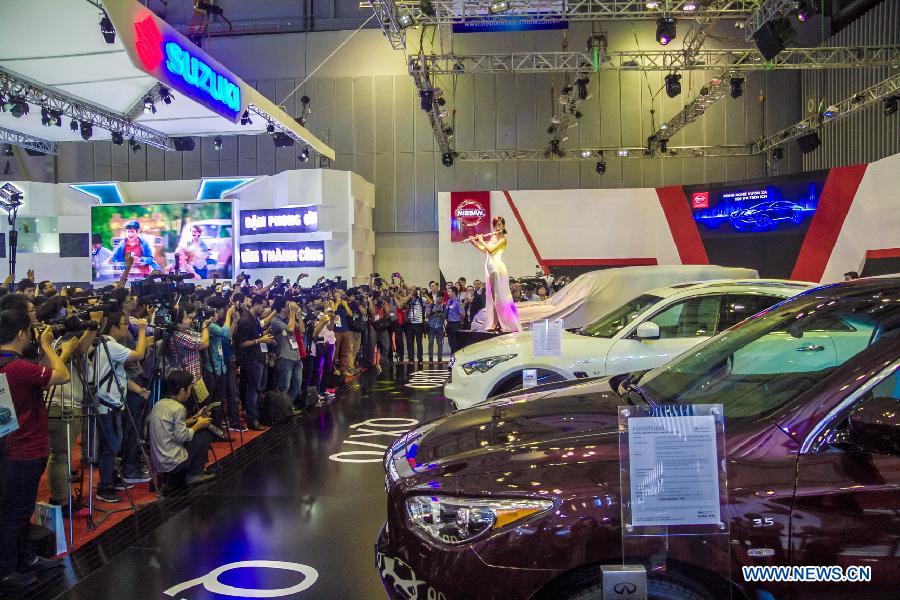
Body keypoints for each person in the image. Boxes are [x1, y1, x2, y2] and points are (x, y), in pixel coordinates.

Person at [0, 312, 74, 592]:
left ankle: (26, 558)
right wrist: (50, 348)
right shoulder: (17, 367)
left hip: (11, 446)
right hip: (25, 449)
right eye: (30, 330)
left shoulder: (12, 365)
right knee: (15, 514)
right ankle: (7, 570)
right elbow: (62, 375)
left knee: (19, 510)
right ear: (20, 334)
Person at [93, 312, 149, 503]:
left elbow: (119, 376)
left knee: (114, 443)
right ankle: (105, 486)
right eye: (124, 324)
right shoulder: (110, 346)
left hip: (112, 402)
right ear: (114, 328)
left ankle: (111, 479)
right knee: (111, 445)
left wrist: (138, 389)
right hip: (107, 404)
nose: (127, 327)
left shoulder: (107, 346)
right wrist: (142, 331)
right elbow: (138, 355)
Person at [147, 369, 214, 490]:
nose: (189, 393)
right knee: (203, 434)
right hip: (173, 462)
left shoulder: (159, 404)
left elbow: (171, 426)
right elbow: (182, 436)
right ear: (182, 390)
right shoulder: (179, 408)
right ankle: (195, 474)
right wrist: (198, 425)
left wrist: (195, 418)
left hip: (159, 462)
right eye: (189, 389)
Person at [467, 216, 522, 333]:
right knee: (492, 296)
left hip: (496, 267)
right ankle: (495, 322)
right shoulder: (493, 237)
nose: (498, 227)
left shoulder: (503, 239)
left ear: (503, 226)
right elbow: (485, 250)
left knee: (496, 296)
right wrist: (473, 242)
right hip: (489, 267)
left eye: (500, 225)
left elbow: (491, 250)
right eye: (496, 225)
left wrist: (481, 240)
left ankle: (499, 322)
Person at [233, 296, 273, 431]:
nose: (263, 309)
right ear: (255, 304)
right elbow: (241, 344)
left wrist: (265, 338)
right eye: (262, 306)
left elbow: (256, 337)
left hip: (258, 357)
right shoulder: (245, 320)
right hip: (251, 360)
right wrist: (260, 340)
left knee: (257, 389)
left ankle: (255, 416)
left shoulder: (254, 318)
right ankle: (252, 419)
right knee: (253, 391)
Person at [270, 297, 303, 408]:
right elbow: (290, 329)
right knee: (285, 386)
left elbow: (302, 330)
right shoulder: (275, 321)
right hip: (285, 357)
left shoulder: (290, 318)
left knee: (297, 386)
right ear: (282, 308)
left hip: (296, 356)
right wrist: (293, 313)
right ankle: (280, 410)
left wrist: (299, 315)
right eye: (289, 304)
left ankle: (286, 407)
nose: (291, 306)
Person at [400, 287, 426, 365]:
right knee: (410, 342)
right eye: (412, 289)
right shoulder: (408, 299)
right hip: (409, 324)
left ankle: (420, 359)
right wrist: (411, 294)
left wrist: (422, 292)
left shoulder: (421, 299)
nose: (413, 291)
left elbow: (430, 302)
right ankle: (411, 359)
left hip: (419, 324)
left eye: (415, 290)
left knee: (419, 342)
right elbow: (403, 302)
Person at [425, 283, 445, 364]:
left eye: (441, 299)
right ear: (436, 297)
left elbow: (445, 316)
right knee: (430, 343)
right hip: (431, 326)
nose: (440, 300)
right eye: (439, 298)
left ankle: (440, 359)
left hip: (439, 326)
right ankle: (430, 359)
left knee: (440, 344)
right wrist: (433, 312)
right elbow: (427, 314)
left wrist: (441, 314)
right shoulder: (430, 304)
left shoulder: (444, 305)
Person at [444, 287, 464, 354]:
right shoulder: (449, 301)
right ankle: (452, 356)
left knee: (455, 343)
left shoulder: (458, 302)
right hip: (449, 324)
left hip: (456, 324)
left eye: (449, 291)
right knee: (450, 342)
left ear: (454, 292)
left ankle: (455, 358)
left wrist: (460, 322)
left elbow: (462, 314)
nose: (448, 293)